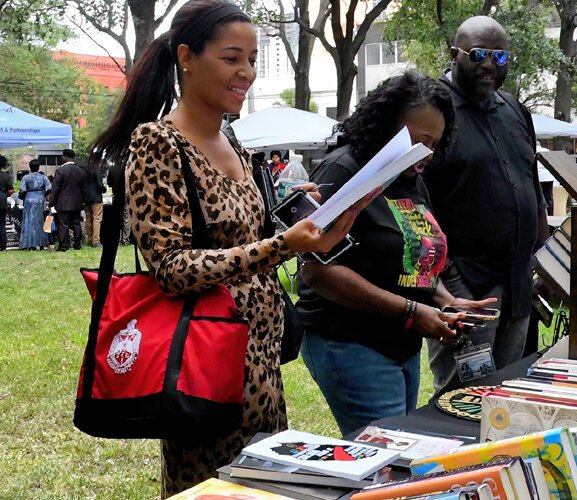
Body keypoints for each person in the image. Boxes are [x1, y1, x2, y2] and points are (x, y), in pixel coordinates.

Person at [87, 1, 362, 493]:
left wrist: (302, 218)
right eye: (232, 58)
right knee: (215, 490)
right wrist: (279, 245)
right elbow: (172, 266)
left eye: (253, 59)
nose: (247, 72)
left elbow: (245, 238)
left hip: (260, 361)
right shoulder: (158, 143)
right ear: (188, 57)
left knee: (265, 487)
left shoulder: (233, 142)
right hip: (203, 362)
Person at [298, 71, 495, 436]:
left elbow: (408, 257)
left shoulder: (410, 177)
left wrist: (445, 300)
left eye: (434, 145)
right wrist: (411, 311)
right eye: (419, 142)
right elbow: (318, 272)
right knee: (385, 459)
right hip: (351, 342)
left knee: (400, 453)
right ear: (386, 127)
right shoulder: (344, 170)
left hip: (402, 342)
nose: (427, 156)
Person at [421, 16, 548, 390]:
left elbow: (529, 185)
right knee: (462, 400)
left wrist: (544, 260)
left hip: (519, 286)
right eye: (477, 54)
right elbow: (416, 202)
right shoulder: (433, 112)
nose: (489, 65)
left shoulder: (514, 110)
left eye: (499, 56)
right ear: (454, 54)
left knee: (508, 395)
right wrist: (449, 281)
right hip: (466, 288)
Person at [48, 149, 88, 251]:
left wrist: (51, 202)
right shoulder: (81, 172)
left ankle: (64, 246)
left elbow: (55, 188)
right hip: (77, 202)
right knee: (76, 223)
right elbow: (84, 189)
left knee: (63, 224)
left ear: (64, 157)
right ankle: (77, 244)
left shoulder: (60, 171)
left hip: (63, 203)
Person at [19, 159, 50, 250]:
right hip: (40, 199)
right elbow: (49, 189)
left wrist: (22, 197)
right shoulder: (43, 177)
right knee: (40, 221)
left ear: (30, 167)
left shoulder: (26, 177)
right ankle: (41, 243)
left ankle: (29, 244)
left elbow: (22, 190)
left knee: (29, 221)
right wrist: (43, 194)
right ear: (38, 167)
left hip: (29, 198)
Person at [83, 156, 107, 247]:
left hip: (86, 197)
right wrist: (103, 189)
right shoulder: (97, 169)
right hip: (96, 197)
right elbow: (100, 184)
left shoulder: (83, 169)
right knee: (97, 219)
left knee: (88, 218)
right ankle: (95, 241)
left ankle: (89, 239)